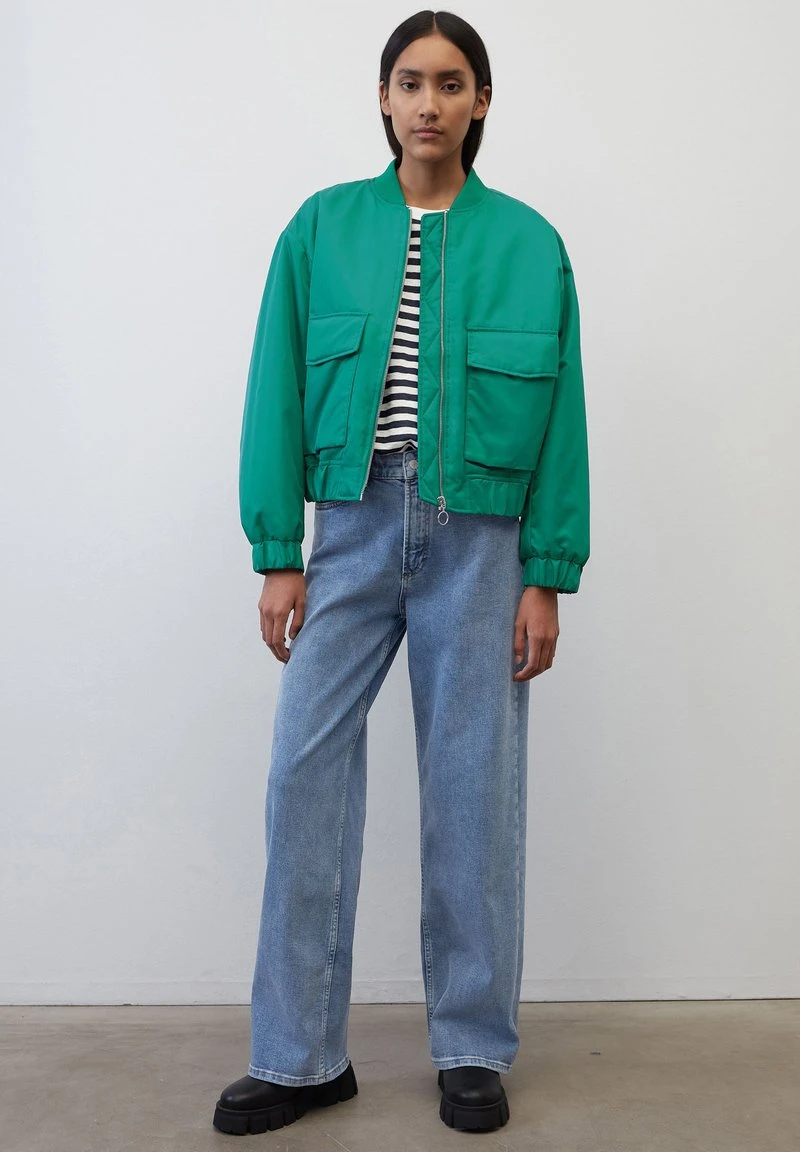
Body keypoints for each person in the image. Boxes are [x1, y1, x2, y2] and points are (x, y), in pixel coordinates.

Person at [213, 8, 590, 1137]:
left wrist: (545, 573)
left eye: (451, 82)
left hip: (481, 538)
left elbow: (563, 420)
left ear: (481, 102)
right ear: (383, 98)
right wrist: (278, 555)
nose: (429, 101)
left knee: (474, 793)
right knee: (303, 776)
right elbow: (276, 389)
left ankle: (471, 1045)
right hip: (354, 524)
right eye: (410, 81)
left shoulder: (529, 243)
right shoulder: (321, 229)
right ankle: (298, 1056)